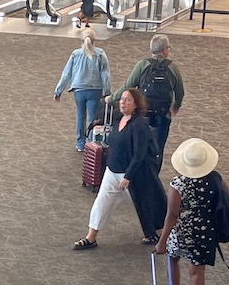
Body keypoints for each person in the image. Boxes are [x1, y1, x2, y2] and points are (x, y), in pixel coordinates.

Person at [73, 87, 167, 250]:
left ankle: (160, 236)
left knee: (145, 204)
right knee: (101, 202)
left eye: (128, 100)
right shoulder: (118, 120)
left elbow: (139, 153)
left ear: (136, 104)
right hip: (112, 171)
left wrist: (128, 176)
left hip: (132, 175)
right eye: (122, 99)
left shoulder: (139, 125)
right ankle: (91, 237)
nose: (123, 102)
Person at [156, 138, 223, 285]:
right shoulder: (215, 179)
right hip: (205, 231)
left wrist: (162, 241)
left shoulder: (178, 184)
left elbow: (172, 215)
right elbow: (227, 200)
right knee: (197, 271)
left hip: (181, 232)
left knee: (173, 259)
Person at [119, 33, 186, 168]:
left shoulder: (142, 65)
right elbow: (180, 91)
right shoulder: (172, 67)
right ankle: (154, 174)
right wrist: (176, 105)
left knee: (138, 145)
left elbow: (128, 86)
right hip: (163, 115)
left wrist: (113, 98)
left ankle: (137, 173)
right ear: (164, 51)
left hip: (143, 114)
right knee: (158, 148)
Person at [53, 27, 111, 152]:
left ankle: (80, 143)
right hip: (95, 90)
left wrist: (58, 91)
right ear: (94, 40)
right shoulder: (100, 54)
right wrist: (107, 92)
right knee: (92, 118)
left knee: (80, 116)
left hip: (79, 90)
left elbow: (66, 74)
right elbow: (105, 74)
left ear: (81, 40)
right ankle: (91, 144)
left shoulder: (75, 54)